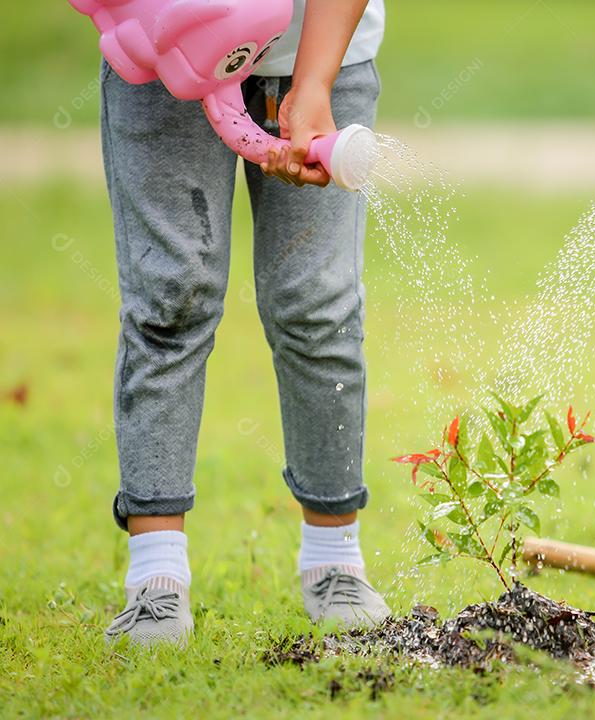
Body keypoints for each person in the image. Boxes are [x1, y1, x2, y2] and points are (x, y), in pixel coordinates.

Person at [100, 0, 389, 646]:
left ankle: (334, 560)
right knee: (170, 298)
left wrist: (314, 82)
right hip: (164, 46)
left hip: (318, 56)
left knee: (317, 304)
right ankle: (156, 582)